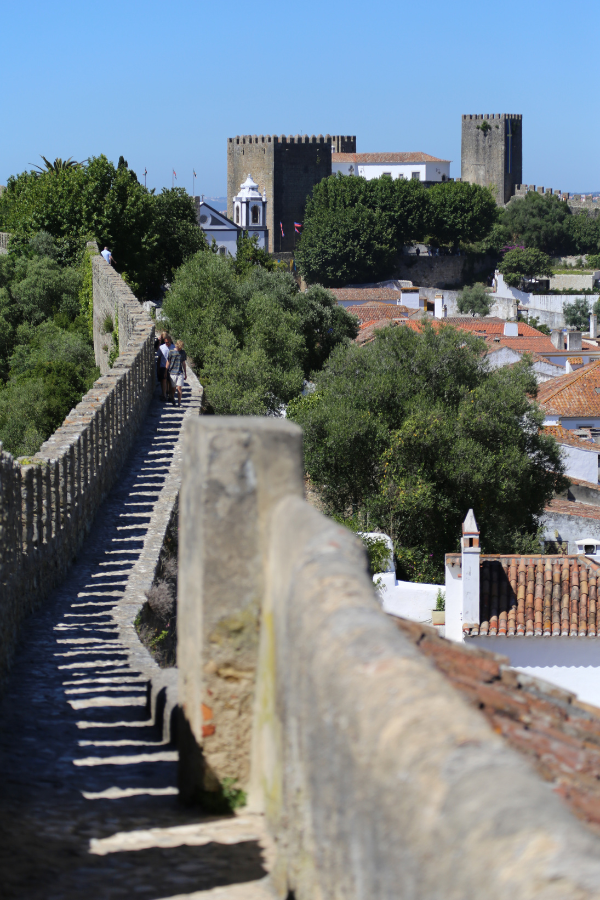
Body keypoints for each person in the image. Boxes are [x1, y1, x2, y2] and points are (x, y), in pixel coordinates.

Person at [166, 340, 187, 407]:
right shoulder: (171, 352)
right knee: (173, 388)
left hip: (180, 372)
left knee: (179, 388)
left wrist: (185, 373)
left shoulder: (183, 353)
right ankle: (172, 398)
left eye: (181, 347)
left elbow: (184, 363)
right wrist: (165, 371)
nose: (180, 349)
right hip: (172, 373)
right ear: (177, 345)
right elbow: (168, 362)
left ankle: (179, 403)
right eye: (179, 347)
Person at [158, 334, 172, 402]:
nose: (167, 344)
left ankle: (169, 394)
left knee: (169, 381)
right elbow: (159, 357)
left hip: (171, 366)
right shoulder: (161, 347)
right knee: (163, 380)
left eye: (168, 342)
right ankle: (164, 395)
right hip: (163, 366)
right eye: (166, 342)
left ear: (170, 341)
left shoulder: (173, 347)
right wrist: (158, 367)